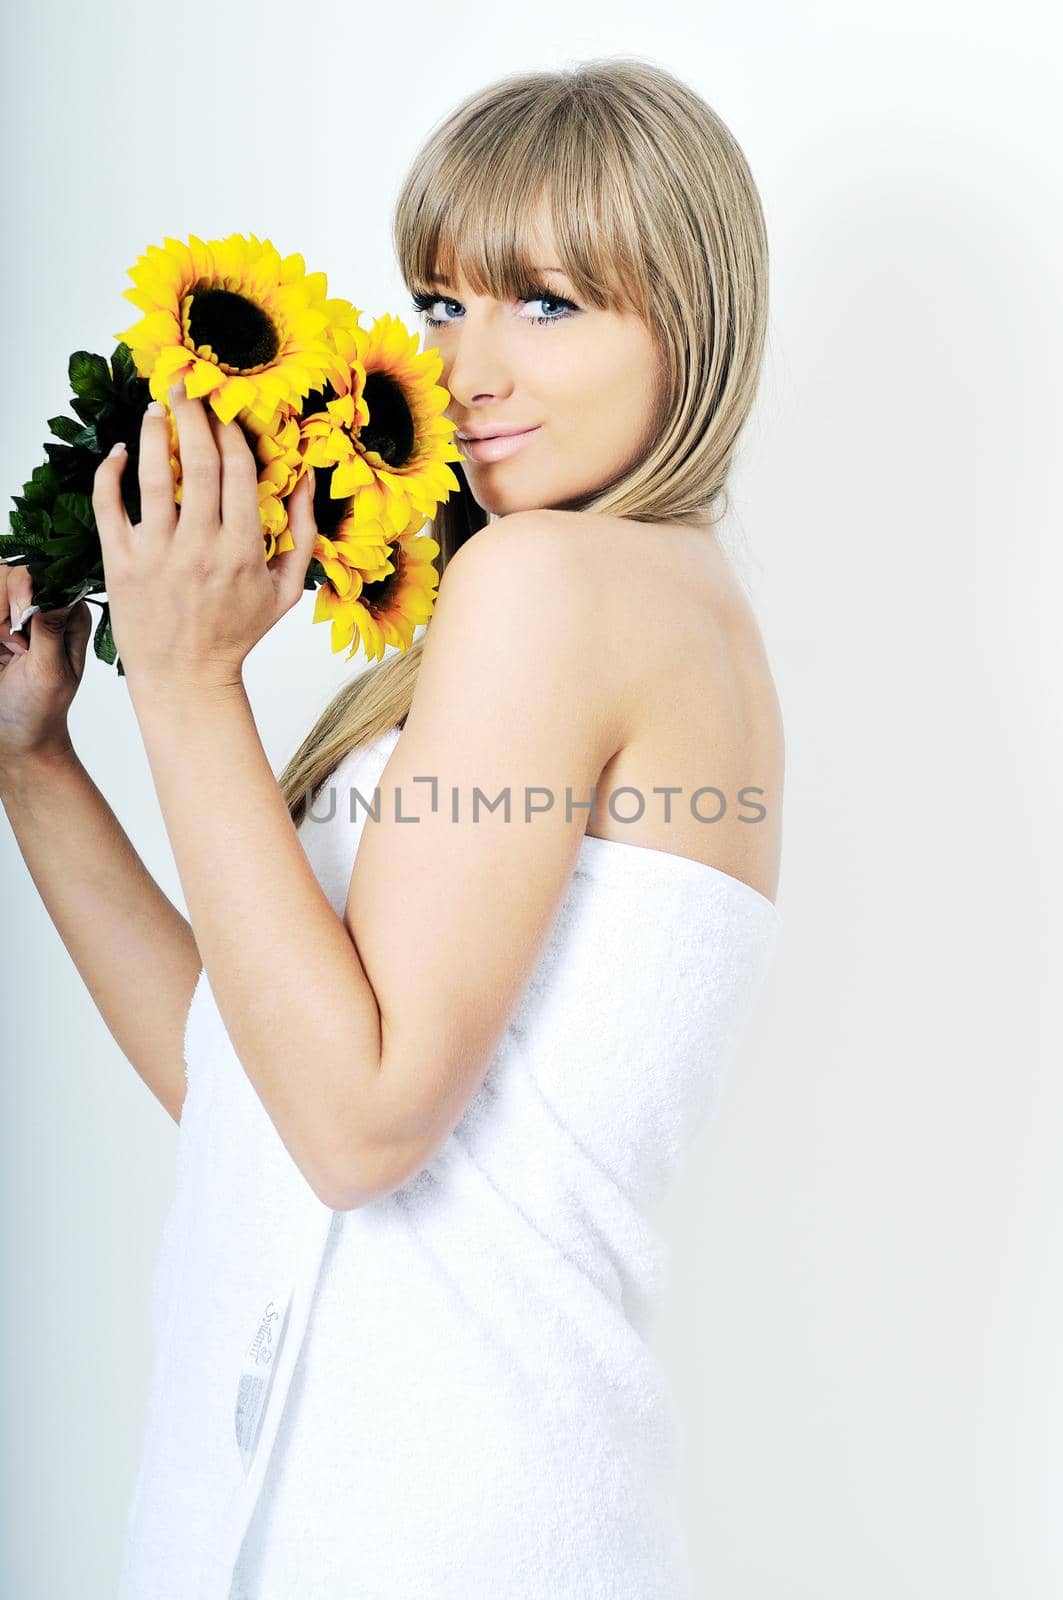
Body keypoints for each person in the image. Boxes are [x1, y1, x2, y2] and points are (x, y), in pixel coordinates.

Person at [0, 56, 785, 1600]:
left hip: (425, 1524)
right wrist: (42, 768)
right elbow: (261, 1079)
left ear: (689, 321)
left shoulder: (553, 584)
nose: (464, 370)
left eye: (545, 303)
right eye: (441, 303)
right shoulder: (675, 607)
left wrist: (185, 682)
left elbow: (355, 1125)